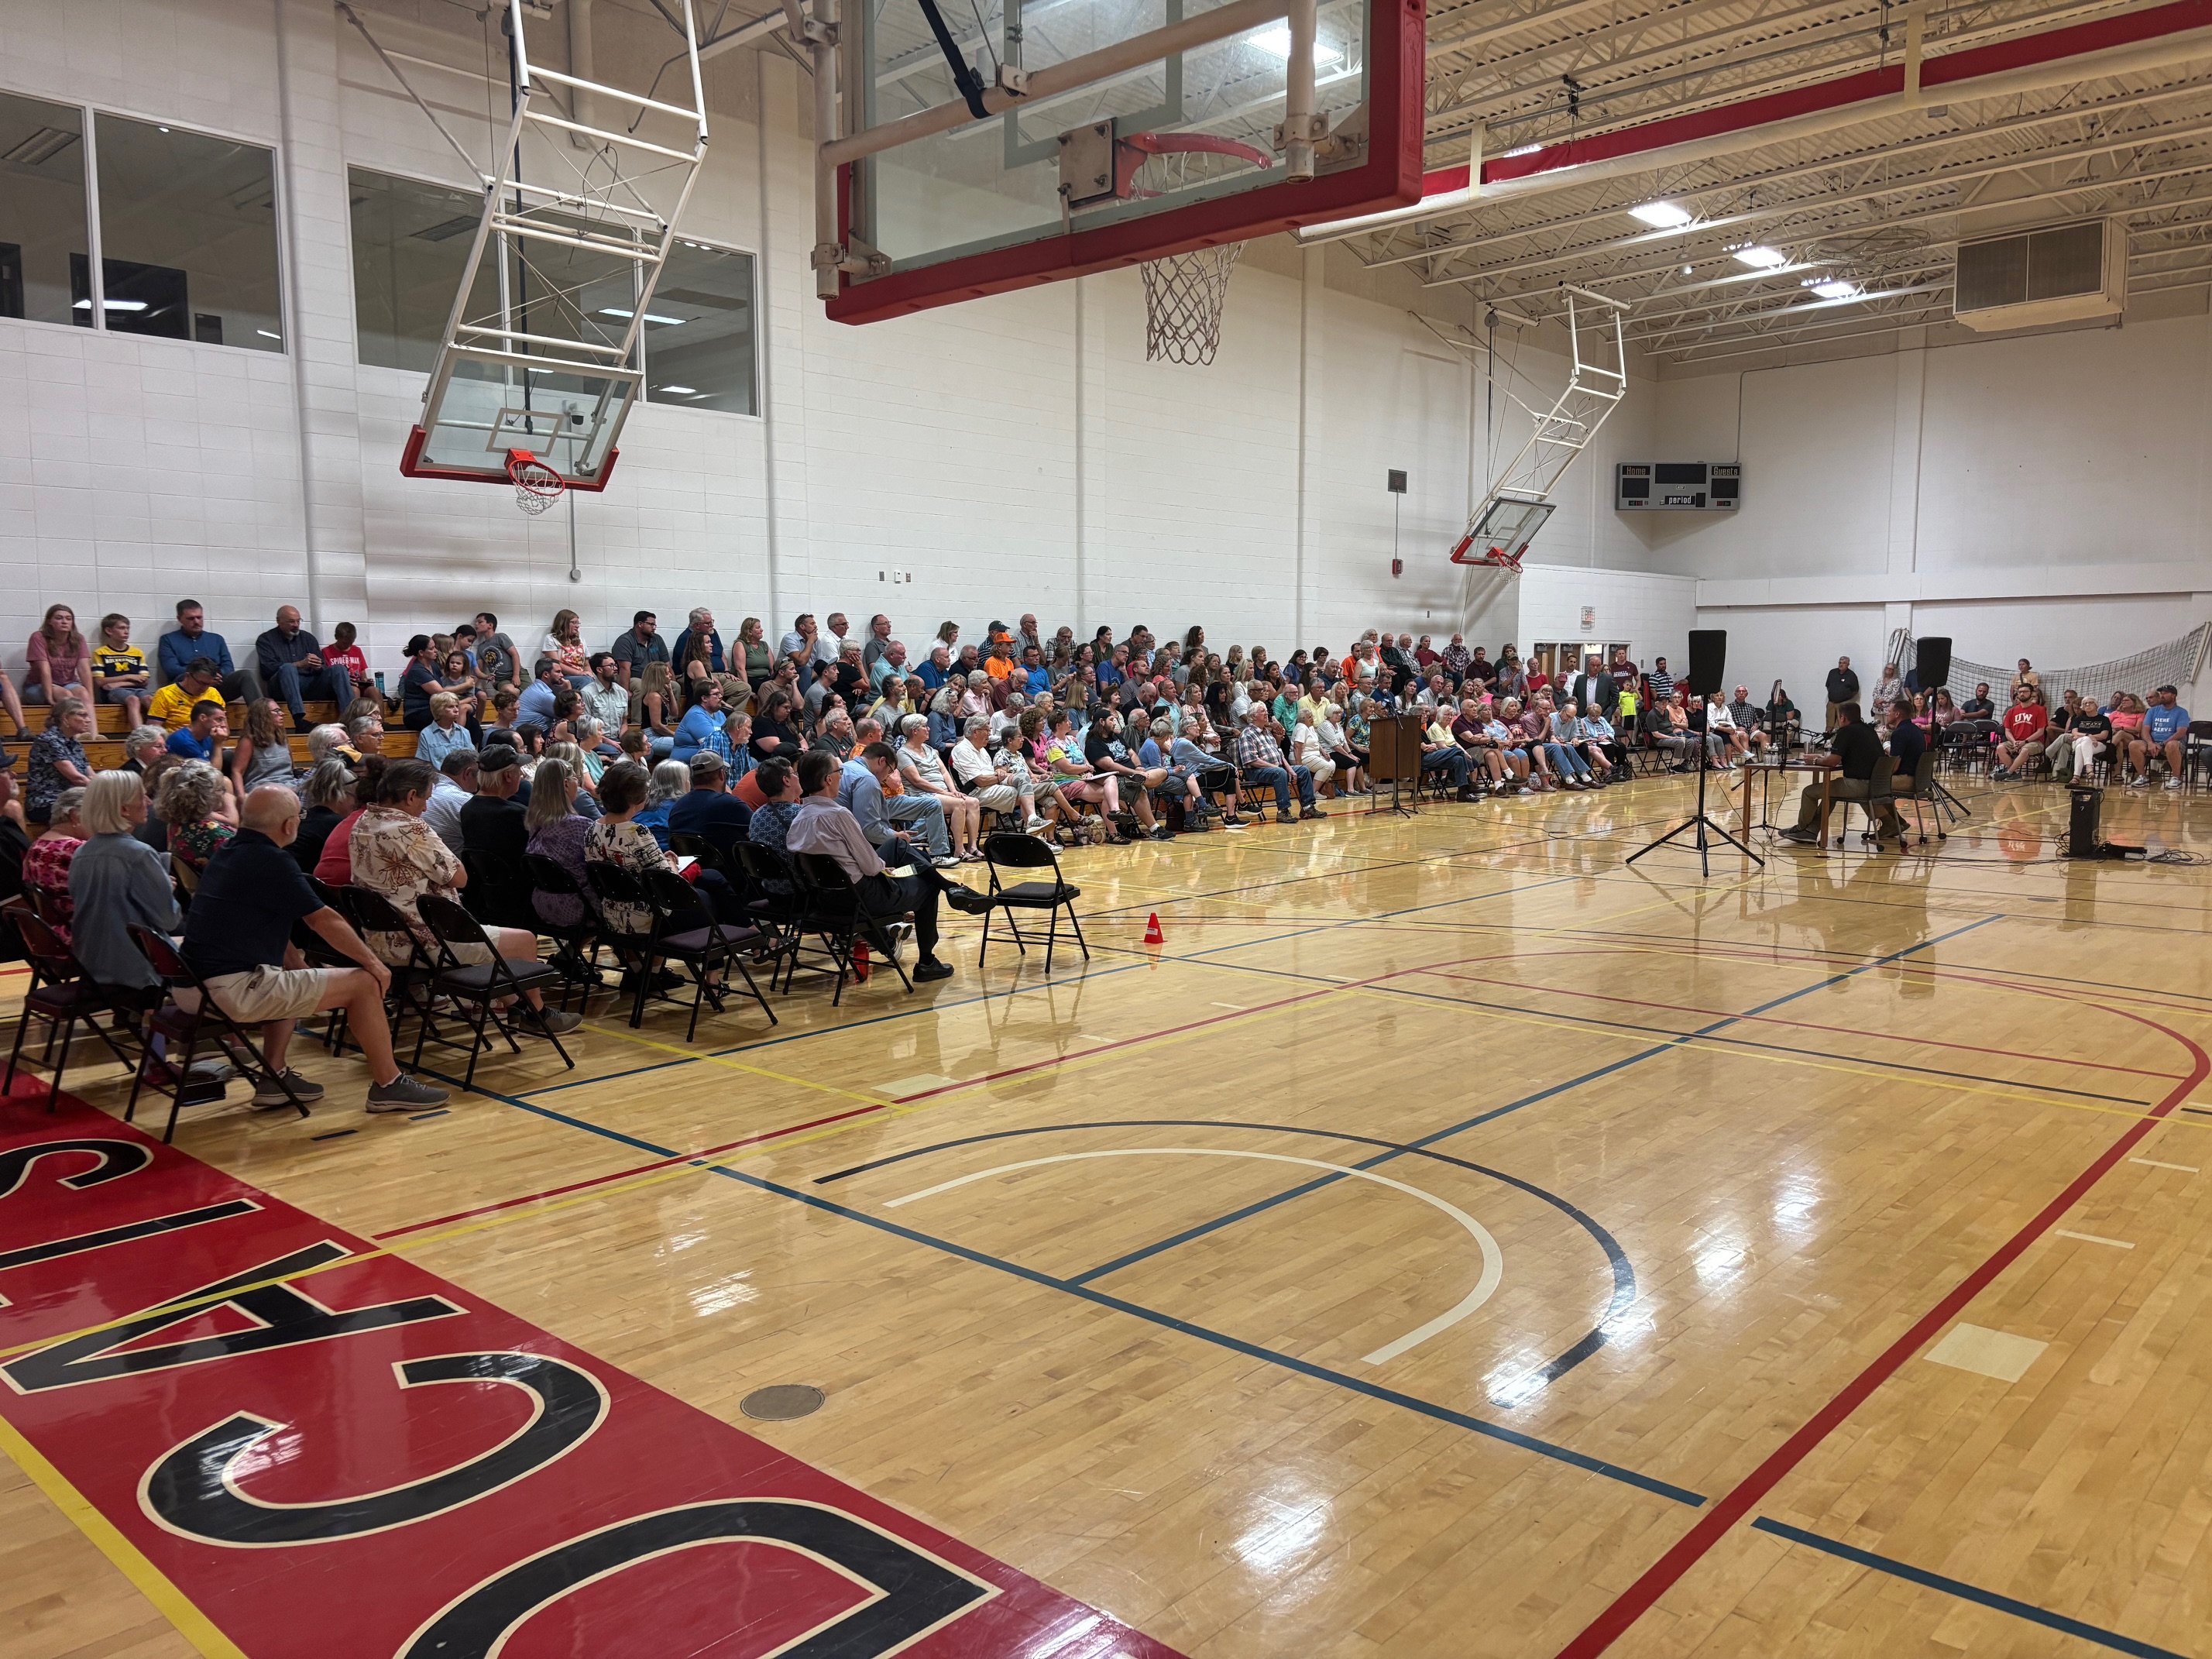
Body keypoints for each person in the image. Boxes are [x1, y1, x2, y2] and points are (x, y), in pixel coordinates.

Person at [181, 785, 454, 1111]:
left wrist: (300, 968)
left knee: (293, 974)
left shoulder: (228, 851)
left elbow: (269, 925)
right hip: (230, 989)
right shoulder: (271, 860)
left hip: (193, 985)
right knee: (364, 984)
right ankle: (389, 1084)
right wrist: (374, 965)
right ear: (289, 825)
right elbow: (324, 920)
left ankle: (274, 1076)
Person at [351, 758, 579, 1030]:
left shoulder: (362, 823)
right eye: (425, 799)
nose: (426, 808)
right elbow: (460, 878)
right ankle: (537, 1015)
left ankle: (515, 1007)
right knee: (525, 940)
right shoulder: (410, 828)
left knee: (492, 938)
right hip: (426, 943)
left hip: (378, 940)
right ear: (411, 796)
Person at [788, 748, 980, 984]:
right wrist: (880, 867)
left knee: (897, 845)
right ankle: (927, 961)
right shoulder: (838, 815)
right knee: (928, 888)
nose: (841, 776)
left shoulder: (798, 819)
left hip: (825, 899)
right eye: (839, 772)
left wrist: (879, 865)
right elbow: (869, 867)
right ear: (828, 779)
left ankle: (948, 886)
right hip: (861, 897)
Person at [1780, 702, 1899, 844]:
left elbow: (1832, 762)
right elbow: (1856, 756)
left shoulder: (1846, 731)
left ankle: (1801, 829)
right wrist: (1825, 758)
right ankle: (1811, 831)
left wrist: (1816, 760)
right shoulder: (1869, 730)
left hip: (1858, 785)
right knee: (1829, 794)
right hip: (1876, 784)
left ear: (1842, 717)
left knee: (1809, 792)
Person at [459, 746, 533, 928]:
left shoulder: (467, 809)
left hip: (484, 897)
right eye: (519, 771)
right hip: (519, 898)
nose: (522, 776)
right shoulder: (518, 814)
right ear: (508, 776)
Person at [254, 606, 352, 734]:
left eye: (298, 621)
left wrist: (318, 667)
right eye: (291, 621)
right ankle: (299, 721)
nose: (296, 625)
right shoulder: (266, 640)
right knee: (288, 668)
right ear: (279, 621)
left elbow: (322, 666)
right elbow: (267, 671)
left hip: (310, 685)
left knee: (339, 669)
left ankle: (351, 719)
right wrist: (299, 664)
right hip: (282, 687)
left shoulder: (308, 638)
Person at [1234, 704, 1321, 823]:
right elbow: (1252, 761)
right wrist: (1276, 767)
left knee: (1303, 770)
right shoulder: (1247, 734)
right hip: (1255, 771)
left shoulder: (1267, 732)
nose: (1266, 713)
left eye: (1266, 710)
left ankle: (1308, 807)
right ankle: (1283, 812)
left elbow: (1280, 754)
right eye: (1262, 711)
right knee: (1280, 772)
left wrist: (1289, 769)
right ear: (1254, 716)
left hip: (1275, 768)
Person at [158, 599, 251, 702]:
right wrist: (203, 676)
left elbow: (228, 666)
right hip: (186, 688)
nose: (197, 622)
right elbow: (172, 669)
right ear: (179, 619)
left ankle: (260, 710)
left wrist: (214, 676)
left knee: (245, 675)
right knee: (183, 677)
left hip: (218, 685)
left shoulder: (217, 639)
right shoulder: (168, 640)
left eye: (199, 617)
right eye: (191, 618)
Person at [161, 759, 237, 875]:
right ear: (206, 795)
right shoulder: (215, 833)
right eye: (220, 789)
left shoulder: (176, 824)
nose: (223, 794)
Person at [26, 697, 94, 824]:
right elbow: (77, 778)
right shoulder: (49, 740)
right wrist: (104, 791)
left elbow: (90, 774)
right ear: (66, 718)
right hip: (46, 802)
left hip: (71, 799)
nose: (88, 720)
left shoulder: (75, 743)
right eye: (82, 715)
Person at [23, 604, 93, 718]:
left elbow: (84, 669)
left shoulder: (78, 639)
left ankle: (92, 730)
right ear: (49, 621)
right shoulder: (38, 637)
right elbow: (45, 670)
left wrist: (91, 698)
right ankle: (74, 730)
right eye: (59, 618)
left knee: (83, 694)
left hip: (68, 683)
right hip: (38, 686)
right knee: (66, 695)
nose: (64, 622)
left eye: (68, 619)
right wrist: (49, 697)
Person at [89, 613, 150, 730]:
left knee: (150, 699)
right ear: (109, 631)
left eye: (128, 628)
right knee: (133, 700)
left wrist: (118, 683)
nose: (126, 632)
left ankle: (159, 734)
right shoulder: (101, 653)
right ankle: (140, 735)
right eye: (121, 628)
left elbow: (144, 681)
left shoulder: (137, 653)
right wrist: (128, 676)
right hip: (114, 692)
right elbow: (100, 681)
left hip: (137, 689)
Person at [294, 757, 354, 874]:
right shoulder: (338, 824)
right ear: (341, 795)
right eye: (354, 797)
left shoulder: (305, 818)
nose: (354, 803)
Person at [229, 696, 296, 796]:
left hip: (289, 784)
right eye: (276, 711)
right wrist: (241, 797)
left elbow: (292, 768)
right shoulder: (248, 741)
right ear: (263, 715)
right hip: (262, 788)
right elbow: (237, 771)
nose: (282, 713)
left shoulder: (282, 738)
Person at [149, 657, 227, 733]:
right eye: (201, 683)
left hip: (209, 739)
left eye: (209, 684)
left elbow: (225, 729)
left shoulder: (214, 693)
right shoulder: (165, 694)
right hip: (176, 739)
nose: (204, 688)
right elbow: (153, 733)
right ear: (187, 676)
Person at [1989, 685, 2050, 781]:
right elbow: (2007, 731)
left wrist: (2025, 742)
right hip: (2016, 741)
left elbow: (2040, 732)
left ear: (2031, 693)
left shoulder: (2040, 710)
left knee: (2025, 750)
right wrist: (2014, 742)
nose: (2022, 694)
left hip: (2035, 742)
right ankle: (2015, 774)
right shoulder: (2011, 711)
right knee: (2000, 748)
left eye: (2025, 691)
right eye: (2020, 692)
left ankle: (2008, 773)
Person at [423, 748, 478, 854]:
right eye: (480, 775)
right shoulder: (465, 801)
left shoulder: (422, 790)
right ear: (468, 773)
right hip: (450, 861)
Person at [2144, 685, 2191, 789]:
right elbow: (2145, 730)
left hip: (2172, 743)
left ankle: (2176, 778)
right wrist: (2150, 743)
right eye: (2161, 693)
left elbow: (2181, 733)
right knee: (2134, 745)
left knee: (2172, 745)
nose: (2162, 695)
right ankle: (2143, 777)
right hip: (2154, 743)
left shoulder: (2182, 712)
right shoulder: (2152, 711)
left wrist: (2162, 744)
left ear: (2174, 696)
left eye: (2165, 693)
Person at [610, 610, 668, 688]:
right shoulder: (625, 641)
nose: (654, 628)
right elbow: (624, 669)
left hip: (655, 678)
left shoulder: (657, 639)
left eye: (655, 625)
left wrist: (671, 681)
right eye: (651, 625)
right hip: (634, 679)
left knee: (675, 686)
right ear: (640, 624)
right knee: (640, 686)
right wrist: (625, 691)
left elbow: (667, 664)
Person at [542, 610, 591, 686]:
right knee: (586, 681)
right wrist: (580, 673)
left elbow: (586, 665)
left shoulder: (581, 640)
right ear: (564, 623)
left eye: (578, 623)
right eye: (574, 623)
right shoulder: (551, 639)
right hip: (562, 676)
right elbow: (556, 664)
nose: (577, 626)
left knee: (594, 682)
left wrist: (591, 676)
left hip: (581, 676)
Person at [1823, 657, 1859, 730]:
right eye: (1840, 663)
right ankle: (1829, 736)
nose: (1841, 665)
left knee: (1842, 725)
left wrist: (1845, 697)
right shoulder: (1832, 673)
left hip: (1843, 704)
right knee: (1829, 725)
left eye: (1844, 663)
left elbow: (1855, 690)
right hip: (1831, 703)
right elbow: (1828, 686)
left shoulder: (1851, 675)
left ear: (1848, 664)